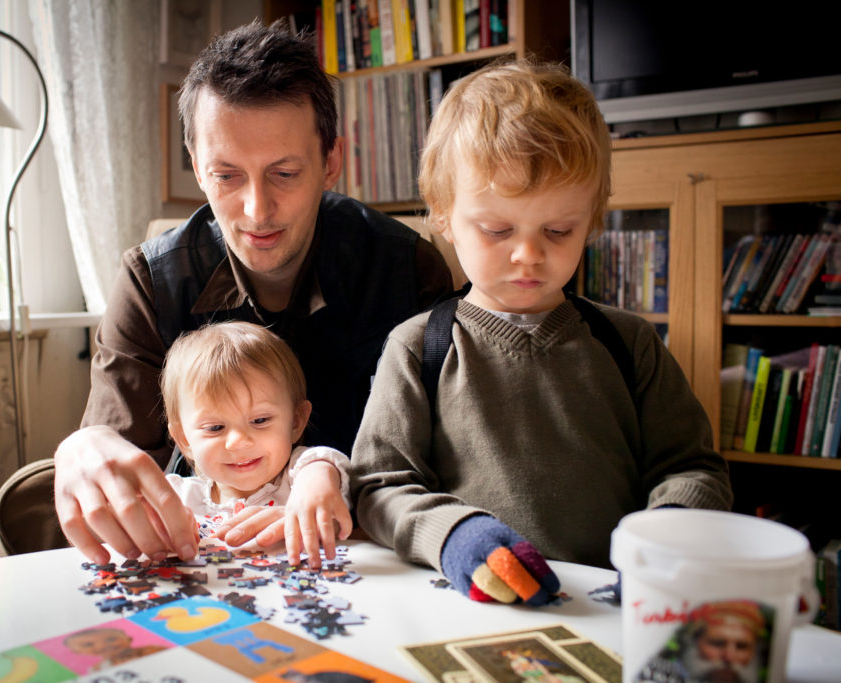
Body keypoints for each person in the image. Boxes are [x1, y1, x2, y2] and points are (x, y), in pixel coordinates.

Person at [48, 19, 453, 567]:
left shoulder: (405, 268)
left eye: (284, 173)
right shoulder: (150, 279)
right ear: (197, 167)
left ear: (331, 162)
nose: (257, 211)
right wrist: (83, 447)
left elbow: (442, 465)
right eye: (227, 176)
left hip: (367, 557)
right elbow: (122, 461)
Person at [348, 61, 733, 606]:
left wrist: (671, 531)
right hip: (472, 606)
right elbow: (377, 487)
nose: (528, 254)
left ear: (593, 220)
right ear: (443, 215)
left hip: (617, 606)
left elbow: (694, 468)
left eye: (558, 230)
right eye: (497, 229)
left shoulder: (631, 343)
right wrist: (456, 536)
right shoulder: (416, 348)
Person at [160, 321, 351, 562]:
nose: (238, 442)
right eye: (215, 428)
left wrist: (318, 479)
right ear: (184, 439)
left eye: (260, 420)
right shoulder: (176, 496)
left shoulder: (300, 478)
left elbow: (323, 462)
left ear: (296, 421)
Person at [635, 600, 767, 683]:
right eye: (718, 643)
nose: (729, 656)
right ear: (693, 641)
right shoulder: (656, 672)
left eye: (742, 646)